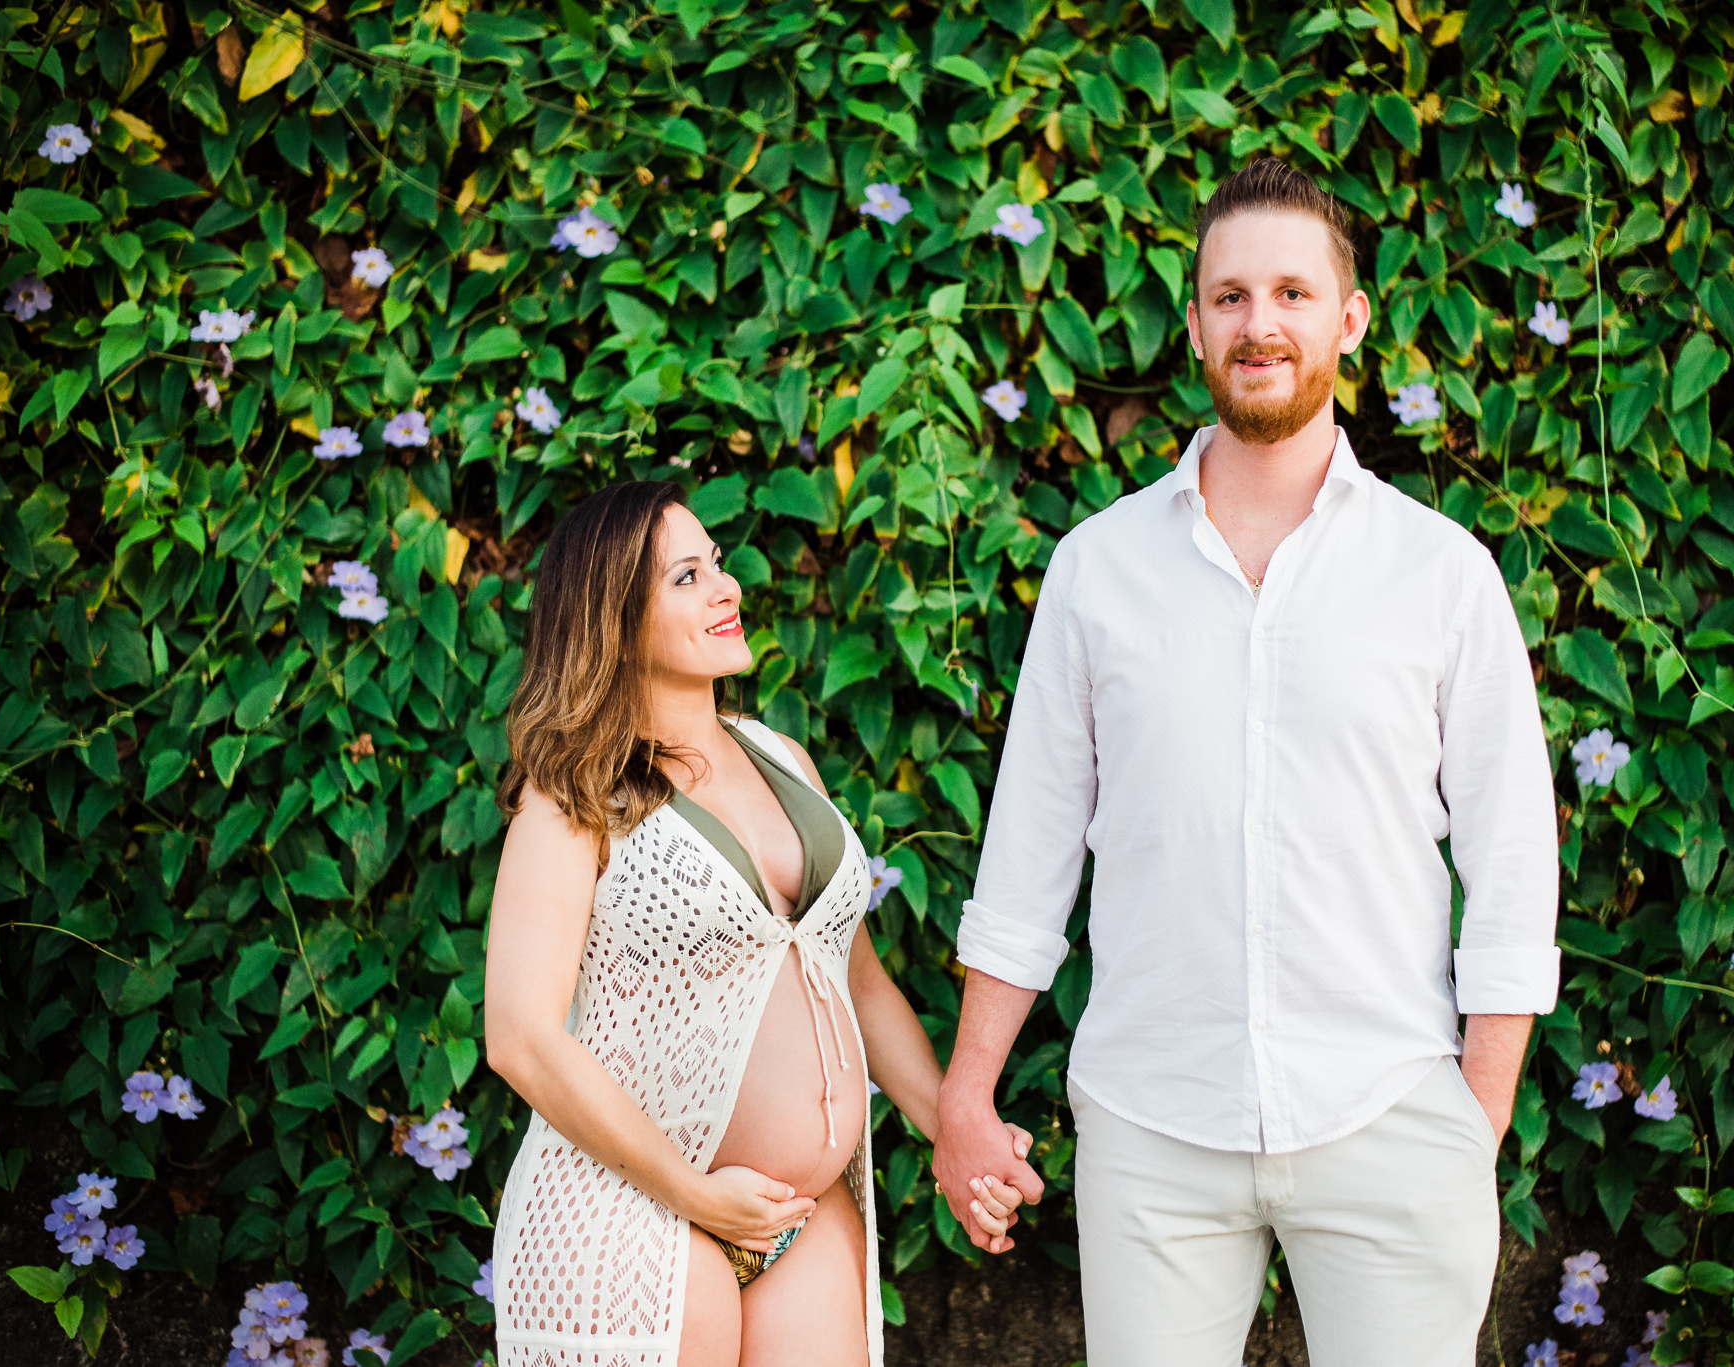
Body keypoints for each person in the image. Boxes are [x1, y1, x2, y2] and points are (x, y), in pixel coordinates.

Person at [932, 158, 1561, 1365]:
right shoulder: (1096, 569)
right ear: (1193, 325)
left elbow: (1512, 860)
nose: (1258, 323)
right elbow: (1026, 855)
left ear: (1347, 318)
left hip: (1387, 1108)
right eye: (1228, 297)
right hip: (1150, 1122)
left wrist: (1467, 1119)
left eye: (1289, 292)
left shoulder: (1439, 575)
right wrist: (967, 1090)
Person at [483, 481, 1032, 1367]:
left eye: (720, 565)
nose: (727, 588)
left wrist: (956, 1132)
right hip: (633, 1212)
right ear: (613, 617)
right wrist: (695, 1192)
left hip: (797, 1216)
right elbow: (519, 1037)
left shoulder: (782, 756)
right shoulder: (573, 797)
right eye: (688, 576)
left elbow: (855, 980)